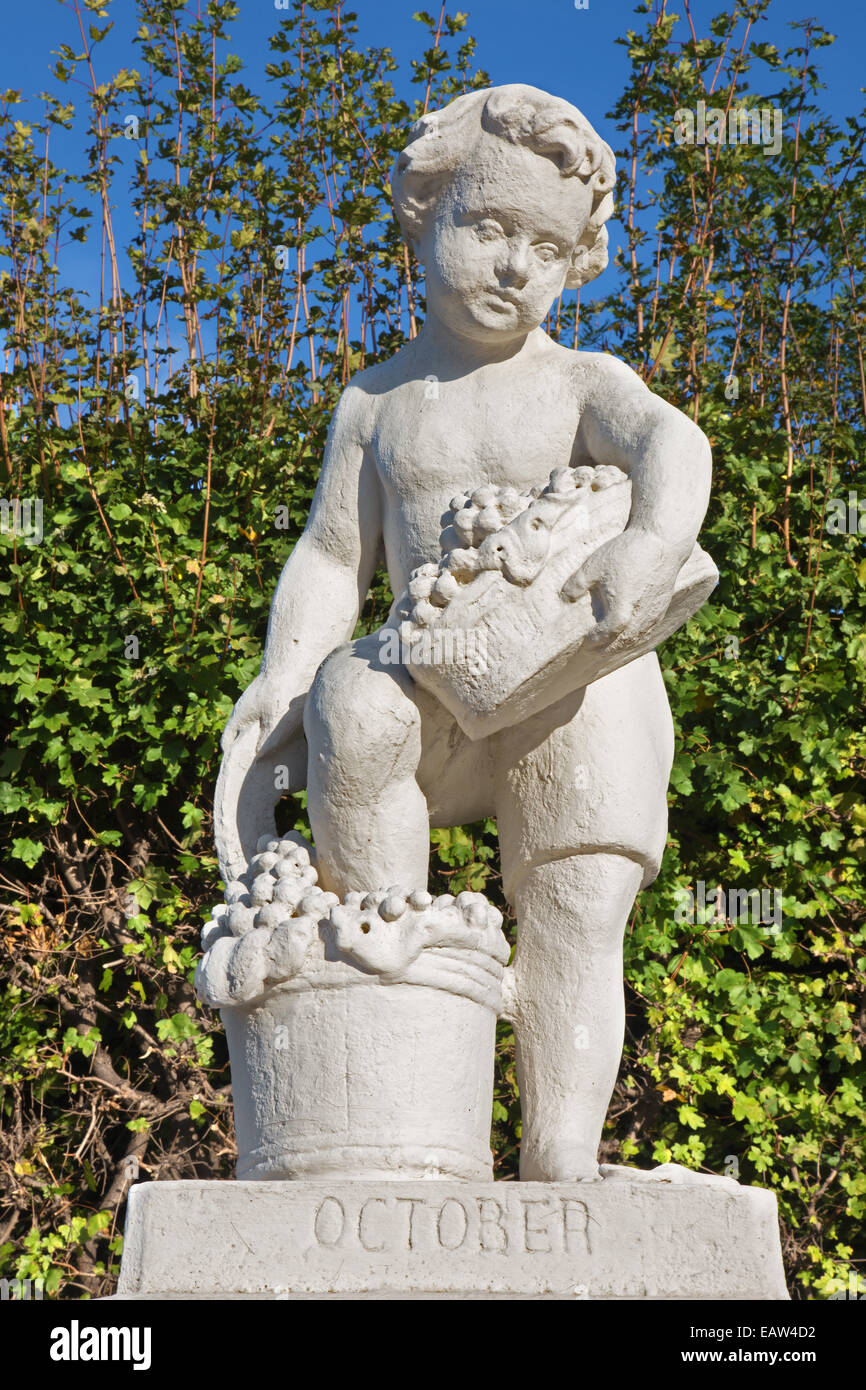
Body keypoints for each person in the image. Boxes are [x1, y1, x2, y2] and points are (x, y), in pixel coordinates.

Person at [215, 85, 712, 1180]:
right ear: (423, 215)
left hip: (577, 674)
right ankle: (399, 1110)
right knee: (351, 702)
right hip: (430, 675)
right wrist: (281, 676)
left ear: (575, 258)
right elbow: (335, 558)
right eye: (486, 227)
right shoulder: (376, 401)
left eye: (546, 243)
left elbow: (670, 447)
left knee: (575, 910)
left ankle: (558, 1162)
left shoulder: (585, 380)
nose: (512, 265)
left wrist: (649, 541)